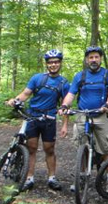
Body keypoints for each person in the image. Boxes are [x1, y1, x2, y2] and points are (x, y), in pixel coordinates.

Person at [6, 49, 70, 191]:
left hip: (49, 118)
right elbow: (26, 94)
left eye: (56, 62)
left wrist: (65, 125)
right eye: (50, 62)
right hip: (33, 117)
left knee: (49, 149)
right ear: (46, 64)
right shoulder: (37, 78)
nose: (53, 65)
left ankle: (52, 178)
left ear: (60, 63)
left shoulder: (63, 83)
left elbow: (65, 104)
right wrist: (15, 100)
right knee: (32, 148)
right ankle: (29, 178)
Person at [58, 46, 108, 193]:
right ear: (86, 60)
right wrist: (65, 105)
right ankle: (82, 176)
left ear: (100, 59)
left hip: (101, 115)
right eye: (91, 57)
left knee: (106, 149)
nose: (94, 60)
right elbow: (71, 94)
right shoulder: (80, 76)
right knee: (81, 147)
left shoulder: (107, 75)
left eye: (96, 57)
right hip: (82, 115)